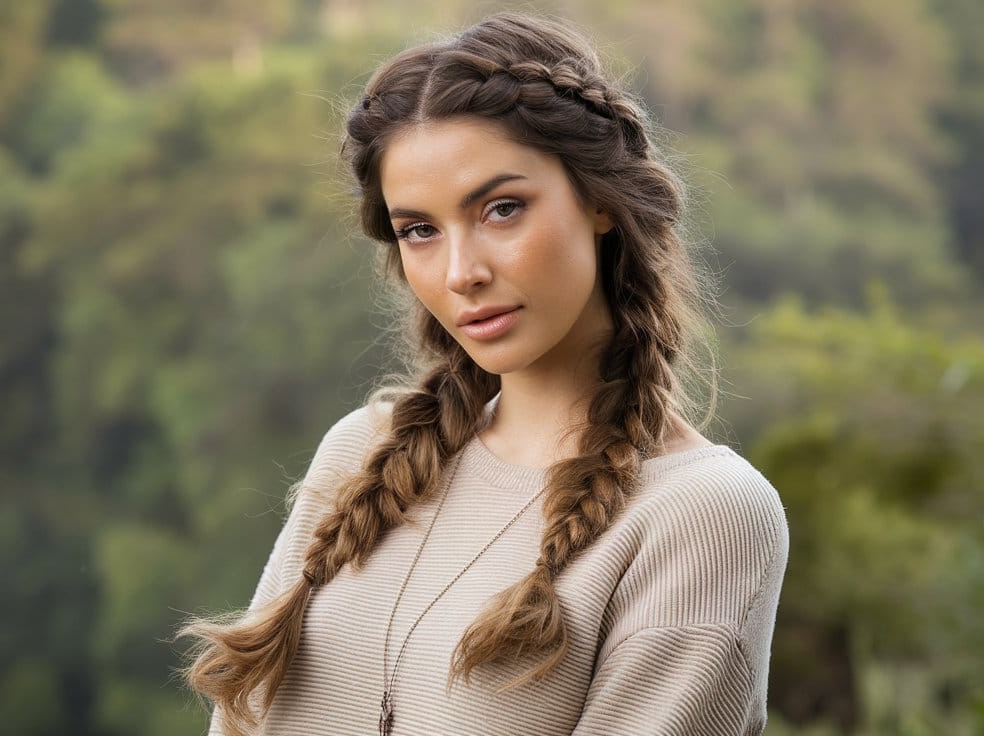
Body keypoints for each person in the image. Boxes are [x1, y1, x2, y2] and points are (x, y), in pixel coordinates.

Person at [181, 12, 787, 736]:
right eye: (421, 231)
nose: (461, 273)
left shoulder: (701, 515)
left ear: (600, 201)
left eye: (502, 210)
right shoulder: (365, 450)